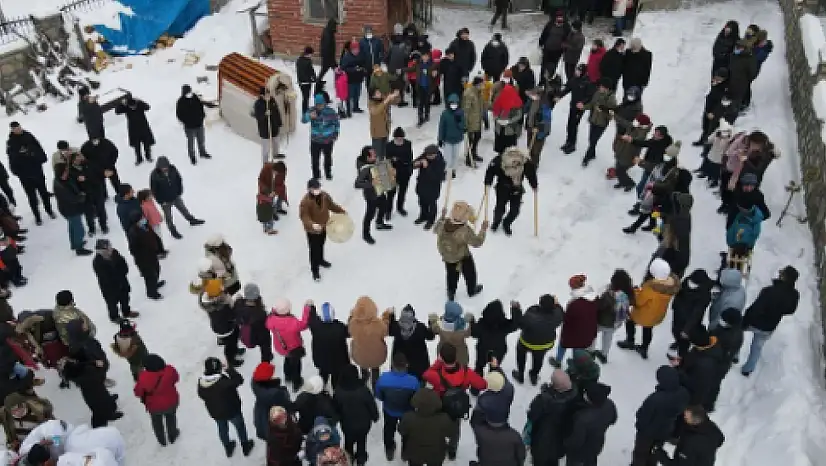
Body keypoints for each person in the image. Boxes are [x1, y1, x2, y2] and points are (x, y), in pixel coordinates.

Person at [422, 343, 487, 460]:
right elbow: (483, 384)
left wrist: (438, 363)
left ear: (441, 358)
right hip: (457, 406)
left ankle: (440, 445)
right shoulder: (467, 372)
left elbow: (425, 374)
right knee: (455, 430)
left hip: (441, 406)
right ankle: (452, 451)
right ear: (456, 357)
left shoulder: (436, 374)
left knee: (439, 427)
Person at [740, 265, 799, 376]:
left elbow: (756, 308)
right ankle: (747, 369)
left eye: (782, 272)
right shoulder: (794, 295)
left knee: (738, 334)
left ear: (784, 277)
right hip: (770, 326)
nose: (779, 272)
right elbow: (790, 310)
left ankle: (734, 356)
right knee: (757, 347)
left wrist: (745, 321)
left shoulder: (769, 291)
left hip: (755, 322)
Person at [62, 320, 122, 427]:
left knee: (102, 392)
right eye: (83, 325)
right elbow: (79, 365)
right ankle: (104, 417)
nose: (86, 325)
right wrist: (94, 363)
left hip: (96, 376)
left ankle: (108, 401)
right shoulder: (76, 346)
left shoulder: (83, 339)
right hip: (90, 380)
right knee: (97, 401)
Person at [617, 258, 680, 359]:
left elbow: (639, 301)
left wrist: (636, 291)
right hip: (657, 314)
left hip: (644, 313)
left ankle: (630, 341)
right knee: (648, 329)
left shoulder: (651, 288)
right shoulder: (670, 285)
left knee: (630, 321)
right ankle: (644, 348)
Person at [197, 357, 254, 457]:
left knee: (222, 429)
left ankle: (228, 447)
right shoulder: (223, 383)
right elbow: (239, 380)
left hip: (216, 412)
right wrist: (229, 369)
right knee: (240, 427)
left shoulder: (201, 383)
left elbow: (202, 395)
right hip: (232, 410)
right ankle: (245, 446)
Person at [632, 366, 690, 466]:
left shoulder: (655, 399)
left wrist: (640, 426)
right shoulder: (683, 393)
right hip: (666, 429)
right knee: (656, 451)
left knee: (640, 453)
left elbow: (642, 415)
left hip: (647, 432)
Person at [434, 201, 487, 300]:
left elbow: (435, 229)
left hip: (448, 256)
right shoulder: (464, 231)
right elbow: (477, 242)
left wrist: (442, 217)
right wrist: (483, 230)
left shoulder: (443, 223)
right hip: (462, 257)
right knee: (470, 274)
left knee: (451, 275)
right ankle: (471, 290)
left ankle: (451, 293)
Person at [6, 122, 55, 225]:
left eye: (18, 128)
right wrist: (17, 169)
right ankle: (37, 216)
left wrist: (34, 155)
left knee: (44, 193)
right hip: (25, 175)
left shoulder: (28, 136)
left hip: (36, 170)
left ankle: (49, 210)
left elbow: (39, 148)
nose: (18, 130)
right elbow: (11, 158)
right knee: (31, 197)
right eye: (15, 129)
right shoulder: (11, 142)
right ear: (12, 130)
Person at [483, 147, 538, 236]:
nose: (515, 164)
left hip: (517, 189)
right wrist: (487, 182)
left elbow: (531, 173)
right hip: (502, 188)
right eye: (513, 163)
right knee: (499, 209)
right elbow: (490, 171)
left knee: (515, 211)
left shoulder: (524, 162)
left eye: (517, 163)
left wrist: (534, 185)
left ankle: (506, 223)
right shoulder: (499, 161)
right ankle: (496, 222)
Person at [397, 387, 459, 466]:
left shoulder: (408, 417)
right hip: (436, 453)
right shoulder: (444, 418)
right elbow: (451, 433)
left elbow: (401, 430)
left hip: (414, 452)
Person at [375, 353, 420, 460]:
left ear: (392, 364)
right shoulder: (413, 381)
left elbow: (379, 395)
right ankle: (405, 452)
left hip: (389, 410)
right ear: (406, 365)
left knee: (389, 429)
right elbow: (416, 399)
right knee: (407, 432)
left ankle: (389, 449)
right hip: (407, 412)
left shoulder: (383, 379)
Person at [298, 179, 346, 281]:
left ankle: (321, 260)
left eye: (318, 187)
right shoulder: (305, 202)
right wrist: (312, 225)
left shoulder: (324, 196)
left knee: (321, 244)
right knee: (314, 249)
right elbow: (304, 216)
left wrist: (341, 211)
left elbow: (331, 205)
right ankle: (315, 271)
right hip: (313, 231)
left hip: (324, 226)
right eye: (315, 188)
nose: (317, 190)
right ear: (309, 189)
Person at [332, 365, 379, 465]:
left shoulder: (339, 391)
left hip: (347, 424)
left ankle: (348, 458)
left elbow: (335, 409)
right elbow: (371, 405)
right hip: (363, 424)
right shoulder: (363, 390)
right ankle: (361, 459)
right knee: (362, 441)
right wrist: (375, 416)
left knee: (348, 441)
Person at [149, 156, 205, 239]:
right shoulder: (154, 175)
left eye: (166, 167)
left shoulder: (173, 169)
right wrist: (160, 201)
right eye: (162, 167)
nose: (164, 169)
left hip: (175, 196)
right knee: (168, 217)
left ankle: (192, 220)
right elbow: (154, 190)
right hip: (165, 201)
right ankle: (172, 230)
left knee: (183, 209)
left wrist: (179, 191)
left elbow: (179, 179)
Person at [512, 295, 562, 385]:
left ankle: (520, 374)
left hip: (526, 342)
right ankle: (534, 376)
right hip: (545, 344)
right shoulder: (557, 315)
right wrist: (557, 304)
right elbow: (560, 311)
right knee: (539, 359)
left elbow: (519, 323)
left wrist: (516, 310)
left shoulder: (531, 314)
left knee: (521, 354)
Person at [564, 382, 617, 466]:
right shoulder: (609, 404)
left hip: (579, 453)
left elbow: (575, 442)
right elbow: (613, 420)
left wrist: (566, 443)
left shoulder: (583, 419)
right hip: (596, 445)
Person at [133, 354, 180, 446]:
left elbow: (137, 392)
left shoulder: (143, 377)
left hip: (154, 406)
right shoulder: (170, 370)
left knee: (156, 423)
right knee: (171, 418)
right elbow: (176, 379)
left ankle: (161, 440)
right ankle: (173, 435)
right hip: (171, 402)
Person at [266, 298, 311, 391]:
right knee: (296, 365)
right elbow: (304, 324)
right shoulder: (293, 323)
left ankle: (287, 376)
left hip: (281, 347)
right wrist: (307, 308)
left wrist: (275, 310)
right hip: (294, 349)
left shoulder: (271, 320)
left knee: (287, 360)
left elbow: (268, 322)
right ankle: (296, 382)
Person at [655, 405, 725, 466]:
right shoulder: (710, 426)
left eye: (686, 417)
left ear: (694, 420)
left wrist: (660, 455)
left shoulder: (691, 443)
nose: (684, 417)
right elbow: (721, 439)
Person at [347, 296, 391, 390]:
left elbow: (350, 331)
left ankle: (364, 379)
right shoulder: (378, 324)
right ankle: (375, 385)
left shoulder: (353, 323)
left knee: (363, 365)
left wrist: (352, 316)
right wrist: (386, 317)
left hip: (360, 356)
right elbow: (385, 331)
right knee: (375, 369)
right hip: (377, 356)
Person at [471, 300, 521, 380]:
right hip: (499, 350)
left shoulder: (482, 324)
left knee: (479, 366)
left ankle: (476, 385)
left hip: (483, 350)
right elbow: (515, 325)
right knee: (494, 368)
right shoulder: (504, 325)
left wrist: (471, 322)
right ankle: (492, 381)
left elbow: (473, 333)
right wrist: (516, 310)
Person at [670, 269, 714, 357]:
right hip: (678, 313)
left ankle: (682, 357)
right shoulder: (687, 281)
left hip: (689, 320)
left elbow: (697, 313)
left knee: (684, 339)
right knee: (675, 331)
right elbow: (679, 294)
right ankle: (678, 341)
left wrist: (686, 330)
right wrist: (674, 305)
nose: (691, 283)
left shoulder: (705, 294)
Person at [354, 146, 394, 244]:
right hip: (371, 195)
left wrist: (390, 173)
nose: (376, 155)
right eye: (373, 155)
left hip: (380, 191)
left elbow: (383, 171)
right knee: (369, 214)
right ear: (368, 158)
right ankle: (366, 234)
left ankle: (379, 223)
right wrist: (371, 183)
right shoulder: (365, 169)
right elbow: (357, 184)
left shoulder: (375, 163)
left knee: (384, 206)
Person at [199, 279, 243, 367]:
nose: (223, 288)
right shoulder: (221, 307)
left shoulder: (208, 302)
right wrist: (237, 303)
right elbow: (233, 315)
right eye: (220, 288)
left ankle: (234, 349)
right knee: (230, 344)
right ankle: (231, 360)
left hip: (218, 326)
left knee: (231, 341)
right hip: (226, 328)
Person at [92, 239, 136, 323]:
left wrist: (122, 273)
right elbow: (105, 276)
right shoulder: (97, 261)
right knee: (112, 303)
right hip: (109, 287)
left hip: (122, 282)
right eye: (108, 247)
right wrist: (118, 275)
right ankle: (114, 317)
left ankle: (126, 311)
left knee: (125, 298)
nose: (110, 248)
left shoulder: (115, 253)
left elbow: (124, 264)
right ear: (101, 250)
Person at [307, 301, 349, 388]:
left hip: (321, 359)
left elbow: (311, 318)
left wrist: (311, 308)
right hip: (338, 361)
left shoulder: (316, 326)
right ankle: (335, 388)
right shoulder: (339, 327)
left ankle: (321, 388)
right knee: (336, 376)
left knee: (323, 374)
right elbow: (349, 332)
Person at [53, 163, 91, 256]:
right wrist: (82, 196)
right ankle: (79, 248)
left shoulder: (64, 179)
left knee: (72, 227)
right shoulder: (60, 186)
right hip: (70, 209)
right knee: (79, 229)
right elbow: (71, 198)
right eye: (65, 171)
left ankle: (74, 244)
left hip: (70, 208)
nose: (67, 172)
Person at [388, 305, 434, 380]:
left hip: (400, 364)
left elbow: (390, 331)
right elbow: (430, 336)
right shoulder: (420, 328)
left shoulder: (396, 327)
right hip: (419, 365)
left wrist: (391, 316)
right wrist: (431, 324)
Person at [558, 64, 595, 154]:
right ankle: (568, 141)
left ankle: (572, 144)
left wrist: (582, 102)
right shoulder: (574, 80)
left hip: (580, 108)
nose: (577, 72)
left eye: (579, 71)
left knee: (574, 125)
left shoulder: (587, 82)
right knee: (570, 124)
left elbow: (590, 96)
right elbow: (567, 88)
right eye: (576, 70)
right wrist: (559, 96)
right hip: (573, 105)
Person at [126, 212, 164, 300]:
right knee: (149, 276)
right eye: (141, 218)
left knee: (157, 269)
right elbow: (133, 249)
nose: (143, 219)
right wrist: (143, 257)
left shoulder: (145, 225)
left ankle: (155, 284)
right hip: (144, 259)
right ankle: (151, 292)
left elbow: (153, 236)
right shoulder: (133, 233)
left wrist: (158, 247)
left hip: (152, 254)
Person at [302, 94, 340, 181]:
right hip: (315, 140)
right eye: (317, 104)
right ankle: (316, 175)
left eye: (321, 104)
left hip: (328, 140)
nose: (319, 106)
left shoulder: (331, 112)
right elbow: (303, 120)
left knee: (328, 157)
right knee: (315, 159)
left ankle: (328, 173)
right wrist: (309, 116)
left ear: (324, 103)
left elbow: (336, 123)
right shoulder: (312, 110)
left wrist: (335, 134)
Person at [581, 77, 617, 166]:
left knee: (594, 139)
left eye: (601, 86)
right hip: (593, 119)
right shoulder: (597, 93)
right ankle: (592, 154)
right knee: (591, 139)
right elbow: (592, 104)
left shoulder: (611, 98)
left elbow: (612, 113)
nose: (599, 87)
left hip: (602, 122)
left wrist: (603, 111)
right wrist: (584, 107)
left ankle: (587, 157)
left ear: (606, 88)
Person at [234, 283, 274, 363]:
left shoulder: (238, 304)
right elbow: (268, 324)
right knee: (265, 345)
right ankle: (266, 361)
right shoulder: (260, 313)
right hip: (260, 336)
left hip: (247, 335)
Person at [251, 362, 291, 440]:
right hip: (274, 427)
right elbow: (288, 407)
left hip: (262, 422)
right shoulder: (276, 394)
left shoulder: (258, 388)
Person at [412, 144, 446, 229]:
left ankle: (431, 220)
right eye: (426, 155)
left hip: (433, 188)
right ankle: (423, 216)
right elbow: (413, 164)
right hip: (422, 184)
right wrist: (416, 164)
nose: (427, 156)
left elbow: (436, 177)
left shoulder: (440, 162)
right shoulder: (425, 156)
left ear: (435, 154)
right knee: (422, 202)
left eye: (429, 155)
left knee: (432, 204)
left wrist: (427, 167)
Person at [175, 84, 211, 164]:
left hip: (199, 124)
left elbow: (200, 107)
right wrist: (186, 121)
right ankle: (192, 156)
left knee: (201, 140)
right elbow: (179, 114)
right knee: (191, 142)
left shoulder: (195, 97)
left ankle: (202, 152)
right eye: (188, 92)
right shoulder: (181, 101)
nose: (190, 93)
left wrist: (202, 116)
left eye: (190, 91)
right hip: (189, 127)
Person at [114, 93, 155, 164]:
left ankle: (148, 156)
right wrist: (121, 104)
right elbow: (117, 112)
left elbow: (148, 107)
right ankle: (139, 159)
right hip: (133, 130)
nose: (133, 108)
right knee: (136, 146)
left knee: (147, 144)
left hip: (144, 127)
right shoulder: (126, 107)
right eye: (131, 107)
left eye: (134, 106)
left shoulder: (139, 105)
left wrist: (140, 101)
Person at [80, 136, 120, 200]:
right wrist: (92, 168)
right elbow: (84, 159)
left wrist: (111, 164)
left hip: (109, 166)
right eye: (93, 140)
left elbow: (115, 152)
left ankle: (120, 194)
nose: (95, 141)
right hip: (96, 170)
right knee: (100, 183)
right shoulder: (86, 146)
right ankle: (104, 196)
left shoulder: (106, 142)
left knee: (115, 181)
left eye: (96, 139)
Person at [386, 127, 414, 219]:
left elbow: (410, 158)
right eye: (397, 138)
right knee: (390, 193)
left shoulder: (408, 144)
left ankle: (400, 207)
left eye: (401, 138)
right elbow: (386, 159)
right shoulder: (389, 145)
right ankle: (388, 211)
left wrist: (400, 160)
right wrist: (392, 159)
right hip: (392, 172)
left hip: (404, 172)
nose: (399, 140)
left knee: (402, 192)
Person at [438, 93, 466, 179]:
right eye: (452, 103)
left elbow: (463, 127)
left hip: (457, 139)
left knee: (455, 156)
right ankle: (446, 170)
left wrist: (459, 122)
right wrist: (440, 138)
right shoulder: (445, 114)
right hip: (448, 139)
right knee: (447, 157)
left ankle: (453, 170)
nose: (454, 105)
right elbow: (441, 127)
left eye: (455, 103)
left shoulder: (461, 113)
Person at [523, 87, 553, 167]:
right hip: (530, 127)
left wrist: (539, 128)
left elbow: (547, 120)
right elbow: (526, 110)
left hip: (539, 132)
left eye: (533, 95)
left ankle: (534, 166)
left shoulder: (545, 104)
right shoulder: (532, 101)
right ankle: (529, 162)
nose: (531, 96)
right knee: (529, 147)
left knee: (536, 150)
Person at [254, 86, 283, 164]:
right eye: (266, 95)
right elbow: (258, 117)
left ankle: (276, 154)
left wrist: (279, 123)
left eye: (269, 94)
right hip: (264, 129)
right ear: (262, 96)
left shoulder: (272, 100)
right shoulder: (258, 104)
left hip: (274, 126)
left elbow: (277, 112)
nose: (268, 96)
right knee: (266, 148)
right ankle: (265, 162)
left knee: (276, 142)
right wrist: (265, 114)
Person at [368, 89, 399, 161]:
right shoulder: (371, 103)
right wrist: (386, 100)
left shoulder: (383, 99)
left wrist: (396, 96)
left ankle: (383, 166)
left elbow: (395, 102)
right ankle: (376, 168)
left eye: (380, 92)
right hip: (377, 133)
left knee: (385, 153)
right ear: (373, 95)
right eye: (377, 93)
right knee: (377, 154)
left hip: (386, 130)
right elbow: (375, 111)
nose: (380, 94)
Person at [538, 13, 570, 80]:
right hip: (547, 49)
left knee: (553, 65)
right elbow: (544, 33)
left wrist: (565, 47)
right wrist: (541, 43)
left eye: (561, 22)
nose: (559, 24)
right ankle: (542, 80)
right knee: (544, 65)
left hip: (557, 51)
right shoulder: (550, 24)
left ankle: (550, 79)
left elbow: (568, 38)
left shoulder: (566, 27)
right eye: (558, 22)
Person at [462, 76, 486, 166]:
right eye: (481, 84)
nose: (483, 86)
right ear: (477, 85)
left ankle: (474, 154)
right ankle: (469, 158)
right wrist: (465, 123)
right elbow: (465, 110)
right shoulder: (469, 94)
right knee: (470, 141)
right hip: (471, 122)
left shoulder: (479, 92)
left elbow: (482, 105)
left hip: (478, 121)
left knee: (477, 138)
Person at [340, 41, 367, 115]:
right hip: (350, 80)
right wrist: (354, 69)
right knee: (349, 95)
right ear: (351, 49)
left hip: (358, 78)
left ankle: (356, 107)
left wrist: (363, 69)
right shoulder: (347, 57)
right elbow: (343, 68)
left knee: (357, 94)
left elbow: (364, 63)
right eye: (354, 50)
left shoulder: (361, 55)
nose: (356, 51)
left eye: (357, 49)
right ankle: (348, 109)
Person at [414, 50, 437, 125]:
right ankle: (420, 119)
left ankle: (427, 115)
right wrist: (401, 70)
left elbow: (437, 71)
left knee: (427, 102)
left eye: (427, 56)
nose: (425, 57)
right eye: (423, 56)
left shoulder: (432, 65)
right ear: (421, 57)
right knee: (420, 103)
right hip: (420, 87)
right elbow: (411, 69)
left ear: (429, 57)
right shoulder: (418, 64)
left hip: (428, 87)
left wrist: (435, 73)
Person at [359, 25, 385, 90]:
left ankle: (377, 94)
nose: (369, 33)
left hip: (376, 65)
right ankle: (370, 94)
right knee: (369, 81)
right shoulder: (362, 42)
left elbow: (381, 50)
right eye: (367, 32)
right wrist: (362, 65)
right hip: (367, 66)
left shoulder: (377, 41)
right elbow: (360, 54)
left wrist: (380, 59)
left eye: (370, 31)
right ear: (365, 33)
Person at [296, 47, 318, 114]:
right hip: (307, 82)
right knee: (306, 97)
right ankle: (305, 111)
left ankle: (305, 110)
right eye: (311, 54)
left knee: (304, 97)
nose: (311, 56)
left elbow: (299, 71)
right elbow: (311, 71)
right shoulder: (308, 61)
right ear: (308, 54)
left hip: (301, 82)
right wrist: (314, 79)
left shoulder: (299, 60)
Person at [318, 19, 338, 84]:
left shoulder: (328, 31)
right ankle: (318, 82)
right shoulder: (328, 34)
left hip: (329, 56)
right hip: (328, 57)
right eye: (335, 26)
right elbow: (327, 47)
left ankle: (318, 81)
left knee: (325, 70)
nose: (336, 27)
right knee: (327, 69)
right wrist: (330, 59)